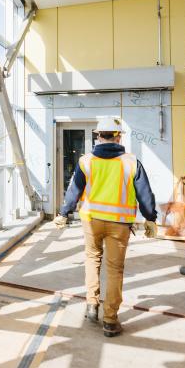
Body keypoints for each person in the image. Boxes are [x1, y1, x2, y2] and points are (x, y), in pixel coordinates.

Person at [55, 116, 158, 337]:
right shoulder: (131, 162)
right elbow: (145, 194)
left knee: (92, 258)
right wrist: (150, 218)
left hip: (91, 221)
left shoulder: (86, 161)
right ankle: (110, 320)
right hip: (119, 224)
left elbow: (74, 191)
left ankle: (92, 305)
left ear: (98, 135)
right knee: (114, 269)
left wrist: (64, 213)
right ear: (118, 136)